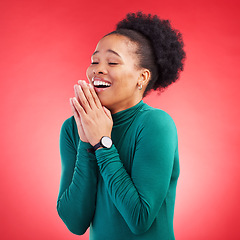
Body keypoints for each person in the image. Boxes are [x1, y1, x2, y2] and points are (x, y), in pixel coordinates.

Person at [57, 12, 185, 240]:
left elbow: (139, 219)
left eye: (112, 62)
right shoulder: (72, 128)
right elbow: (75, 222)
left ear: (142, 78)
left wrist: (102, 143)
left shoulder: (156, 124)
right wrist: (86, 142)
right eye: (94, 61)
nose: (97, 69)